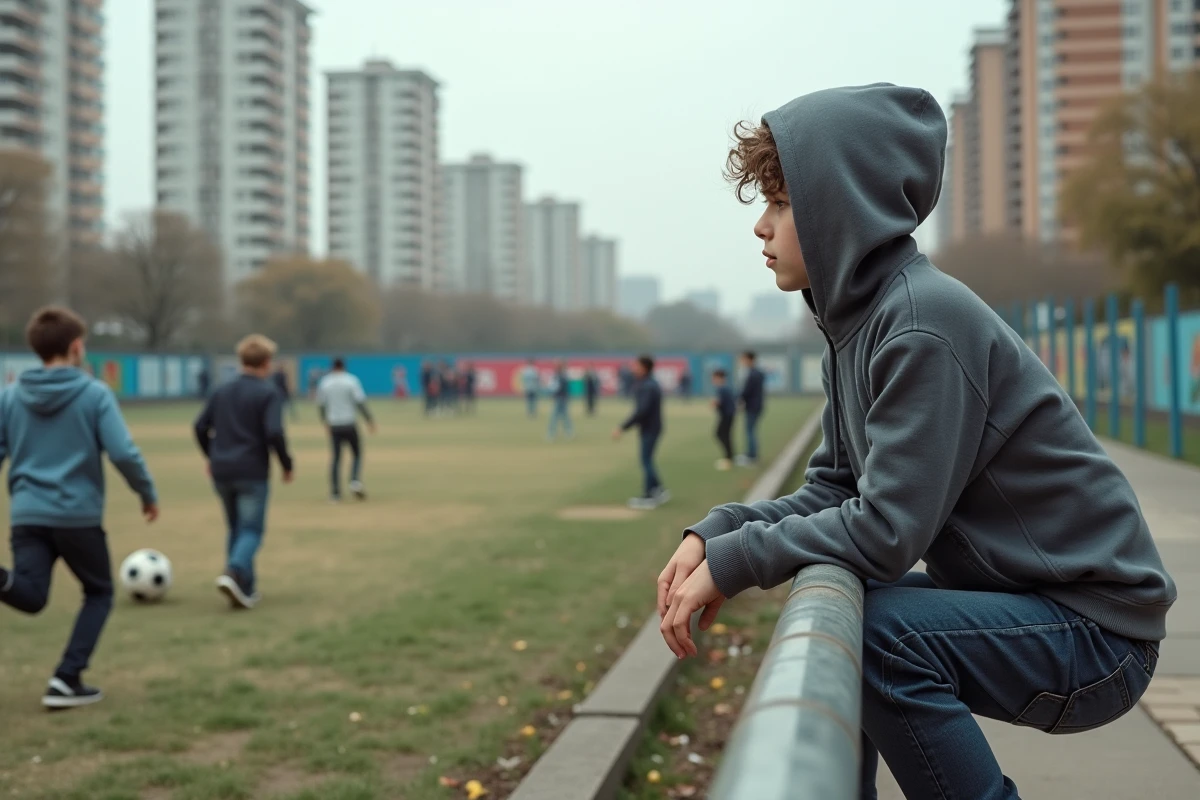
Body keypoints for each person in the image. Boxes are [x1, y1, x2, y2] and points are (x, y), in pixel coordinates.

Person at [654, 84, 1176, 800]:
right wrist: (718, 534)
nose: (760, 229)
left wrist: (741, 563)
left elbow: (886, 533)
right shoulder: (858, 323)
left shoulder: (922, 323)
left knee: (877, 634)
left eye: (780, 204)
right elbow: (836, 490)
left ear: (842, 206)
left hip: (1096, 632)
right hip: (1040, 604)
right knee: (871, 621)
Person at [0, 307, 158, 709]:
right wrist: (146, 493)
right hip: (77, 515)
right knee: (100, 592)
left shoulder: (10, 395)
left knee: (32, 595)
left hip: (27, 514)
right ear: (75, 347)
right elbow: (122, 452)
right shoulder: (94, 393)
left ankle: (67, 679)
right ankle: (67, 678)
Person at [193, 335, 294, 610]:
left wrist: (210, 455)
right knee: (251, 530)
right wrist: (286, 464)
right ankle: (234, 571)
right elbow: (274, 431)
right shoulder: (268, 392)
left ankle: (244, 589)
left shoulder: (221, 391)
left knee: (235, 528)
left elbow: (200, 426)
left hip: (222, 470)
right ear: (266, 362)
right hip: (252, 470)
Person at [317, 358, 375, 502]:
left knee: (336, 458)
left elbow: (321, 405)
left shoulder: (325, 382)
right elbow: (360, 401)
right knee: (356, 453)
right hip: (349, 422)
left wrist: (324, 421)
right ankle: (355, 481)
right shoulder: (351, 381)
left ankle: (335, 493)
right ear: (344, 367)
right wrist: (369, 419)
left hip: (334, 424)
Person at [613, 355, 668, 509]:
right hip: (652, 427)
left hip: (650, 428)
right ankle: (659, 489)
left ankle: (649, 495)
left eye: (636, 365)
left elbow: (641, 411)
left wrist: (622, 427)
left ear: (644, 367)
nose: (633, 368)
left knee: (646, 460)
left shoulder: (647, 386)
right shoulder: (648, 383)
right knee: (648, 459)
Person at [737, 351, 765, 466]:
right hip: (756, 405)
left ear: (749, 359)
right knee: (751, 430)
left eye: (743, 359)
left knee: (750, 431)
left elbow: (746, 391)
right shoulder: (758, 373)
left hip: (752, 406)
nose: (742, 362)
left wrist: (738, 399)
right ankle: (751, 454)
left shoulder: (753, 374)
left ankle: (752, 457)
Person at [711, 368, 736, 471]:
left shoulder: (722, 388)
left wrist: (714, 404)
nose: (713, 380)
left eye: (714, 378)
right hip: (729, 414)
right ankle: (729, 457)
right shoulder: (726, 388)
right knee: (725, 435)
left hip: (726, 415)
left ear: (719, 378)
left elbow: (719, 402)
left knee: (720, 434)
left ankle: (728, 457)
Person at [546, 360, 573, 441]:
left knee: (557, 416)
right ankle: (567, 432)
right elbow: (555, 387)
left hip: (561, 398)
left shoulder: (561, 376)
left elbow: (557, 387)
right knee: (561, 416)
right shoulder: (560, 376)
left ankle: (554, 433)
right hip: (560, 398)